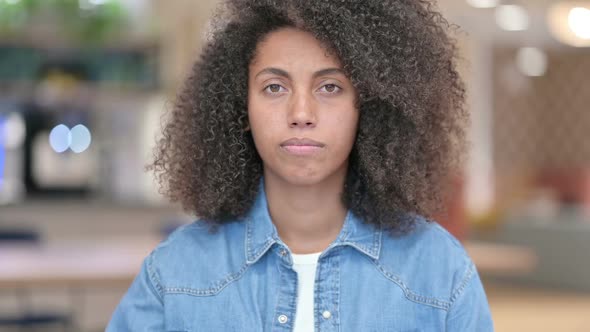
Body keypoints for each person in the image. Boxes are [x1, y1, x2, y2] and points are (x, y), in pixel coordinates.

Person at [107, 0, 494, 330]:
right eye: (275, 87)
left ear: (369, 108)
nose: (302, 113)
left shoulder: (440, 272)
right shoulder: (174, 272)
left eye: (330, 87)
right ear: (241, 108)